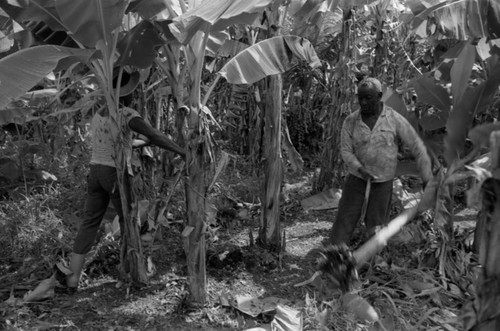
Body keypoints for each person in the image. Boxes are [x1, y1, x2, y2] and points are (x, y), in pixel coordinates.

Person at [64, 68, 185, 292]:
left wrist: (142, 143)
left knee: (89, 223)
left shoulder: (100, 113)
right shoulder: (126, 113)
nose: (133, 95)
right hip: (114, 173)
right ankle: (136, 272)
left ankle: (72, 280)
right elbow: (155, 135)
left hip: (95, 172)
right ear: (124, 92)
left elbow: (117, 141)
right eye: (131, 91)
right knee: (131, 220)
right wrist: (182, 151)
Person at [329, 77, 433, 246]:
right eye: (360, 98)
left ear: (379, 96)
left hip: (382, 183)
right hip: (356, 179)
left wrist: (427, 178)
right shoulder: (351, 121)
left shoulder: (394, 119)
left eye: (368, 98)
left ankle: (371, 262)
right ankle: (334, 256)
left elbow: (417, 146)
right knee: (344, 220)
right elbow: (346, 151)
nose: (363, 102)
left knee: (376, 226)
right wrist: (360, 169)